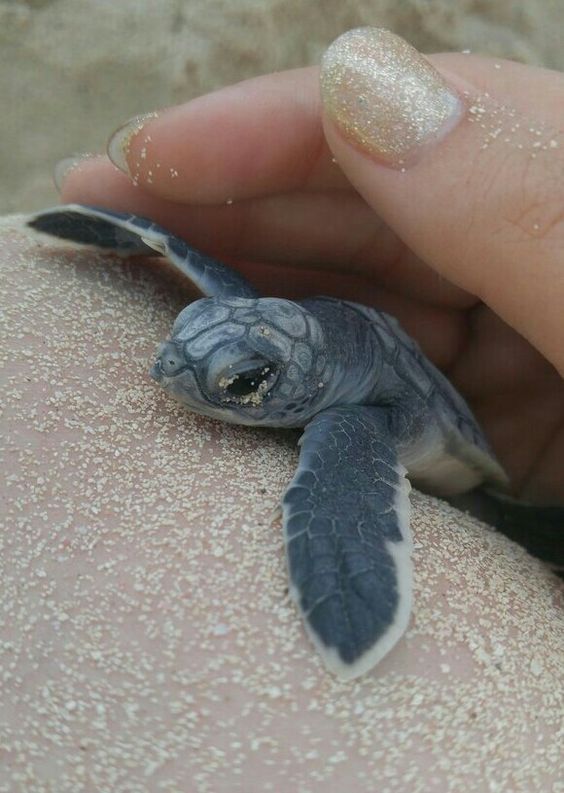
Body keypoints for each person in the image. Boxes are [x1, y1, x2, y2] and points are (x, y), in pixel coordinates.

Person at [2, 29, 562, 791]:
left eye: (239, 386)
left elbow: (345, 503)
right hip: (370, 364)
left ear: (297, 389)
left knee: (419, 498)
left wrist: (348, 602)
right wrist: (124, 236)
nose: (174, 377)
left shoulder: (353, 421)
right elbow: (213, 295)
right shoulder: (263, 319)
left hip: (446, 440)